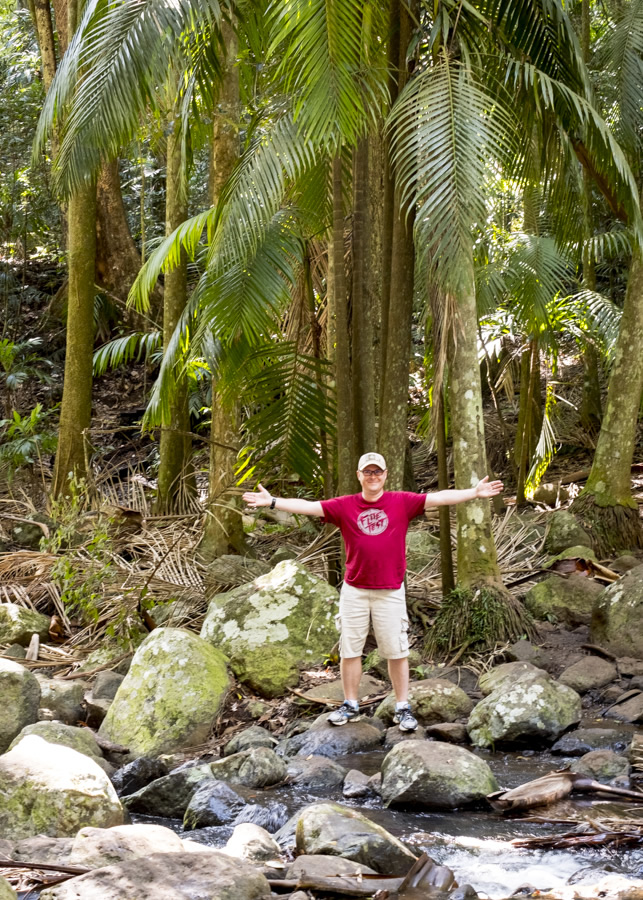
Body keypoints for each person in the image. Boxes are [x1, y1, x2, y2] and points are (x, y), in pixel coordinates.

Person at [243, 452, 503, 731]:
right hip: (354, 589)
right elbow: (309, 506)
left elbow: (438, 498)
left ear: (385, 474)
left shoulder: (401, 502)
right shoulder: (345, 506)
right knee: (350, 650)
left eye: (377, 472)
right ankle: (351, 704)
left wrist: (474, 493)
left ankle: (403, 707)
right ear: (359, 476)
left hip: (390, 590)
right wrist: (271, 501)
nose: (373, 476)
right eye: (367, 472)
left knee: (396, 651)